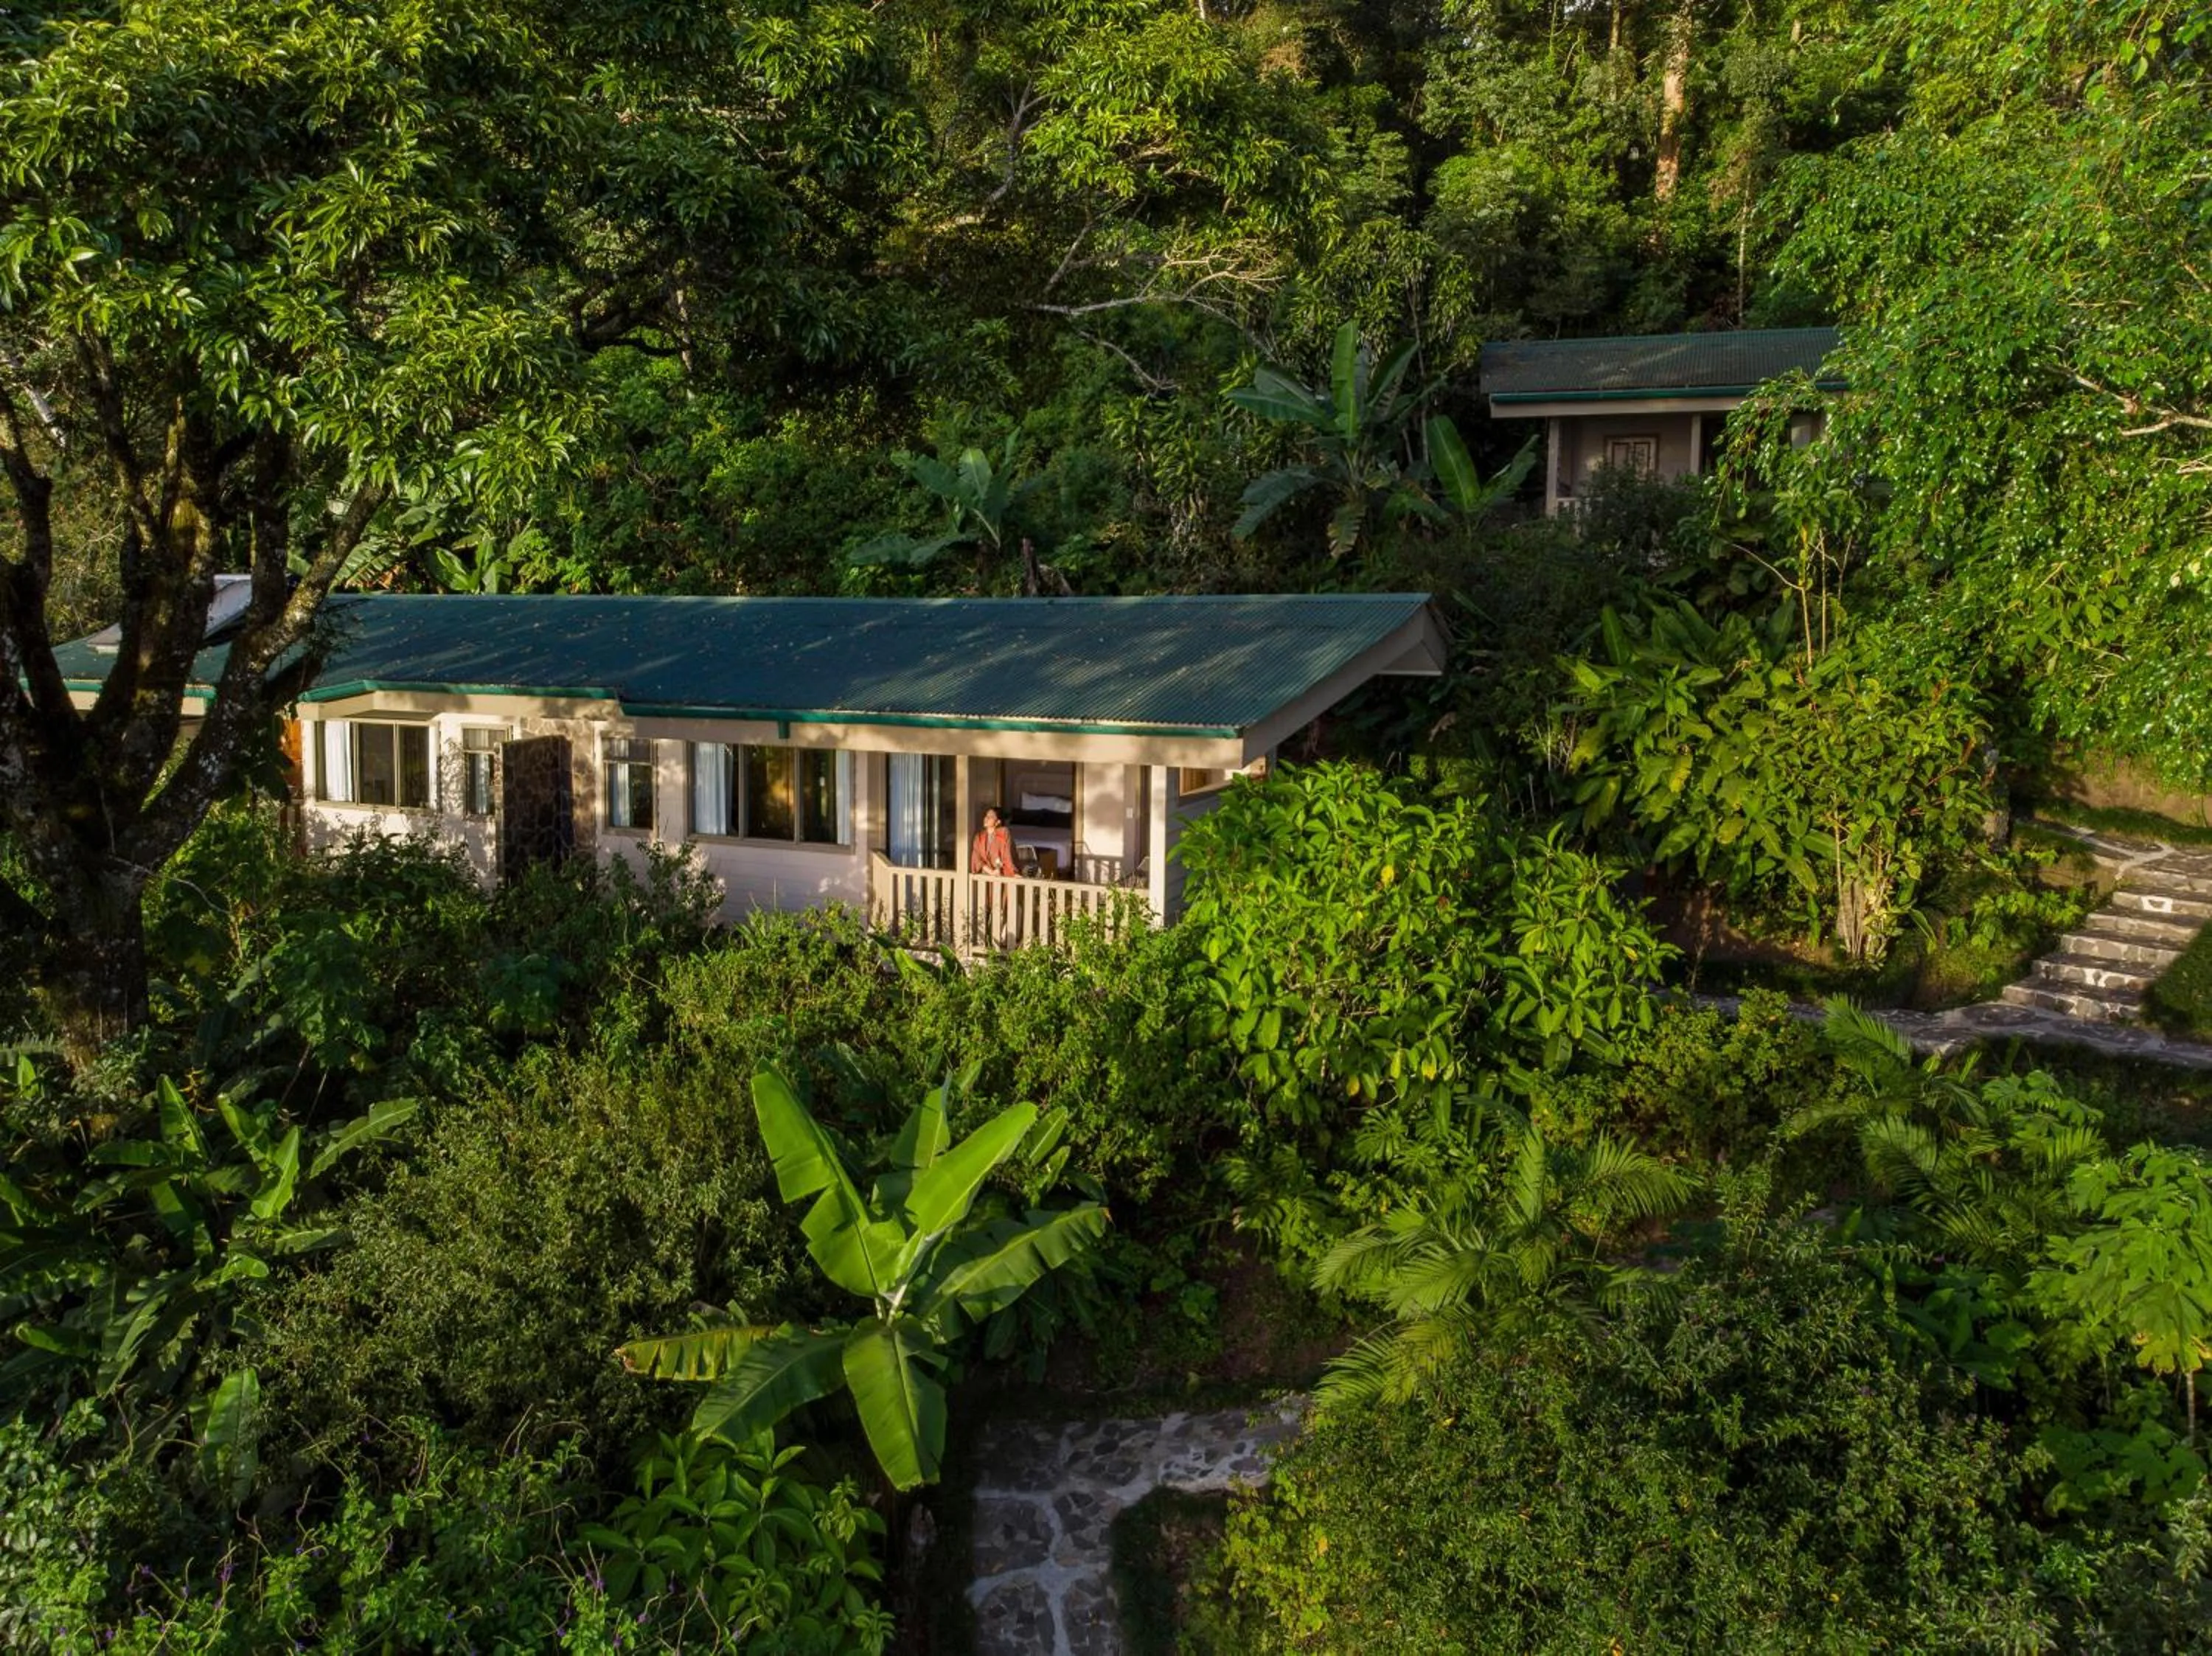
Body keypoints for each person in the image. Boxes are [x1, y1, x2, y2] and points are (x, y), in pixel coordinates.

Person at [970, 805, 1018, 877]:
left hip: (1002, 874)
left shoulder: (1004, 833)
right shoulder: (979, 837)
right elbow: (976, 858)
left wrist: (1013, 873)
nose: (986, 818)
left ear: (998, 822)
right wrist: (991, 872)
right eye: (986, 816)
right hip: (985, 875)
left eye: (991, 817)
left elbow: (1008, 856)